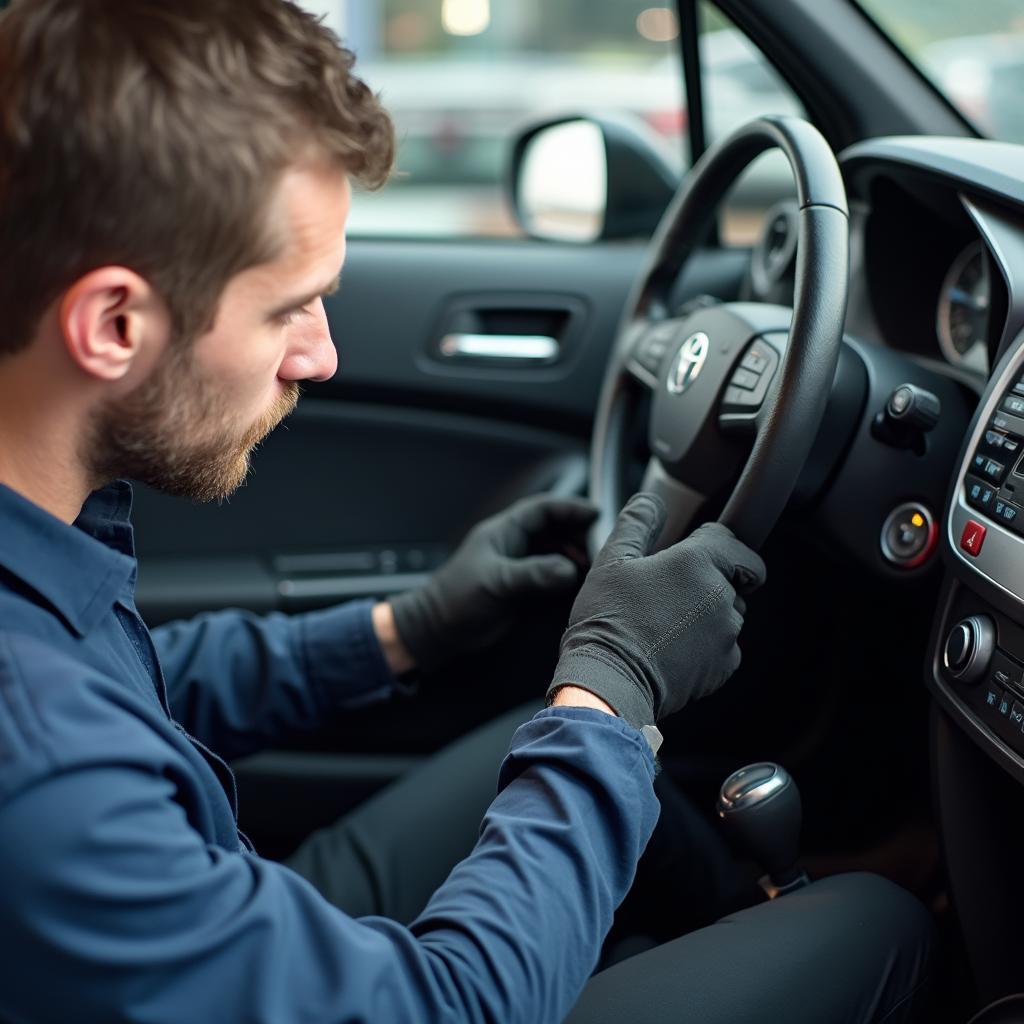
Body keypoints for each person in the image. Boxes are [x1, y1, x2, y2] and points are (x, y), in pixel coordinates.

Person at [0, 1, 932, 1021]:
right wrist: (611, 691)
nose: (320, 354)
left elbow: (145, 687)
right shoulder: (44, 776)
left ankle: (748, 908)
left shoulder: (47, 538)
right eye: (287, 307)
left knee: (555, 754)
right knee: (879, 925)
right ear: (114, 322)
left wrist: (409, 626)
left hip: (216, 913)